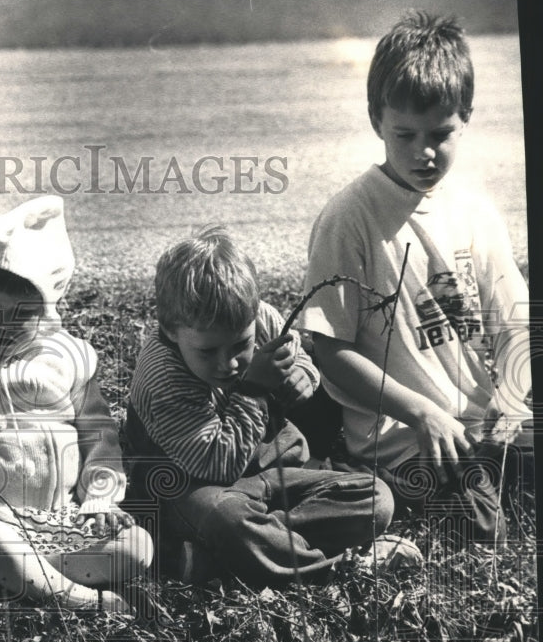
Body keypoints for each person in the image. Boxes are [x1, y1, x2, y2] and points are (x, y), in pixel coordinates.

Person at [300, 12, 532, 548]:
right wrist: (422, 412)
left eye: (441, 134)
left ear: (465, 117)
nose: (423, 152)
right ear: (376, 119)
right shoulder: (350, 218)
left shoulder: (475, 210)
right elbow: (328, 351)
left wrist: (517, 400)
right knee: (479, 528)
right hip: (405, 442)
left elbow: (516, 322)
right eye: (405, 134)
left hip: (481, 425)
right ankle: (389, 508)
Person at [0, 196, 154, 612]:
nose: (1, 328)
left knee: (136, 546)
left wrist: (99, 499)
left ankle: (29, 578)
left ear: (46, 312)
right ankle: (78, 599)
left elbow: (100, 437)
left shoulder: (70, 359)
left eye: (19, 315)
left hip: (60, 518)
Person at [125, 226, 407, 586]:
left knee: (375, 498)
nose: (228, 364)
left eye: (240, 345)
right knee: (226, 520)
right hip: (195, 488)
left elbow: (298, 356)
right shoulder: (162, 376)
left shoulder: (261, 319)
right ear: (169, 331)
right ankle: (339, 567)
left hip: (271, 476)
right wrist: (254, 390)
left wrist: (303, 376)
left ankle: (221, 560)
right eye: (208, 352)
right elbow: (218, 466)